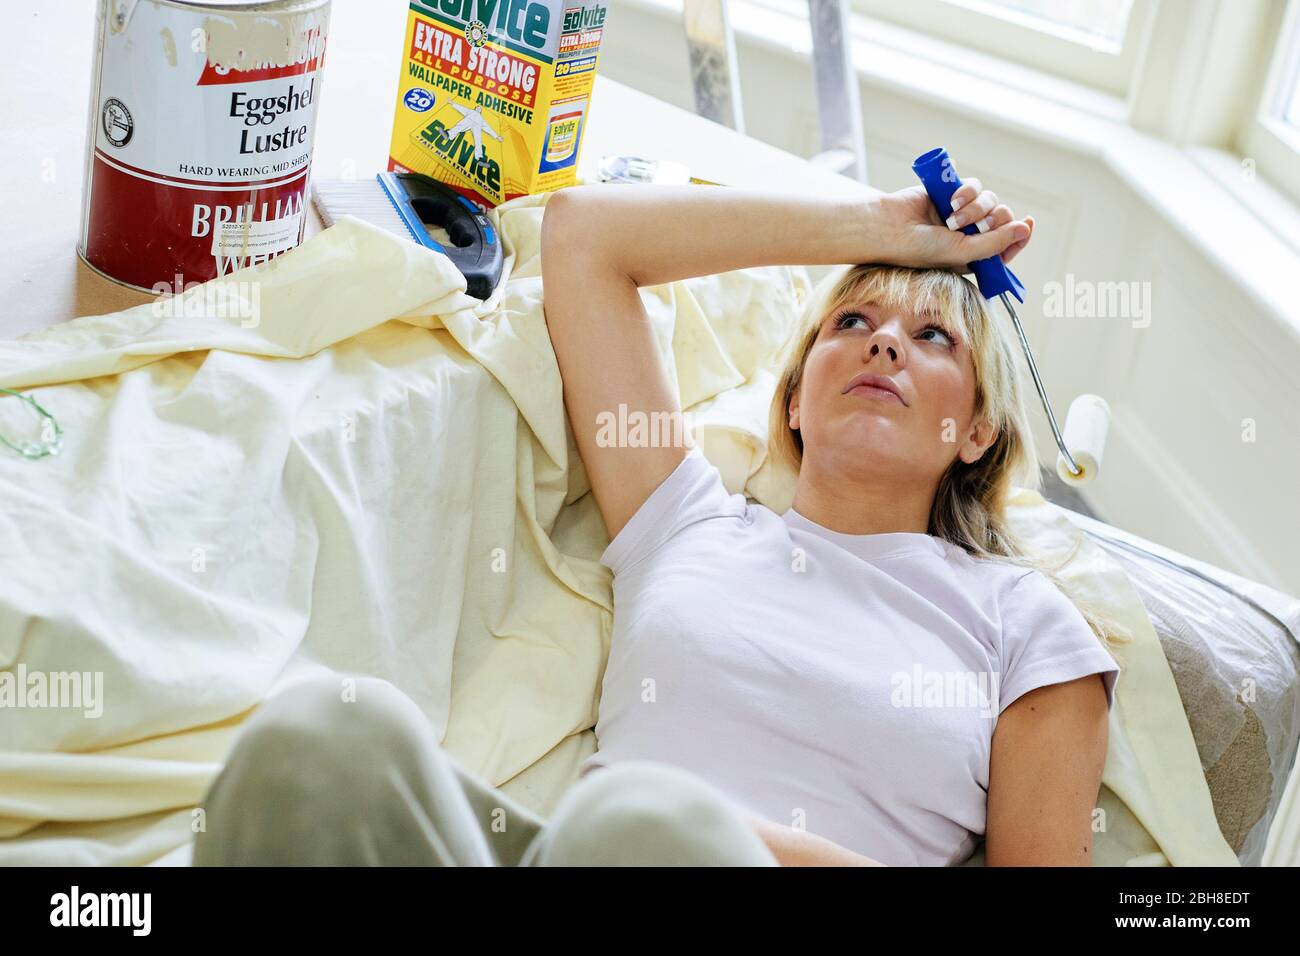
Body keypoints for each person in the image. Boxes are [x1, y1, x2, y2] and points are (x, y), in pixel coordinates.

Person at [193, 176, 1118, 867]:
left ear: (979, 430)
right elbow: (586, 237)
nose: (882, 341)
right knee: (323, 743)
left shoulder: (1024, 628)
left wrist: (723, 840)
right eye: (852, 322)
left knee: (650, 834)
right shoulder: (688, 522)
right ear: (793, 401)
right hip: (586, 851)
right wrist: (879, 226)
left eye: (932, 338)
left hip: (641, 845)